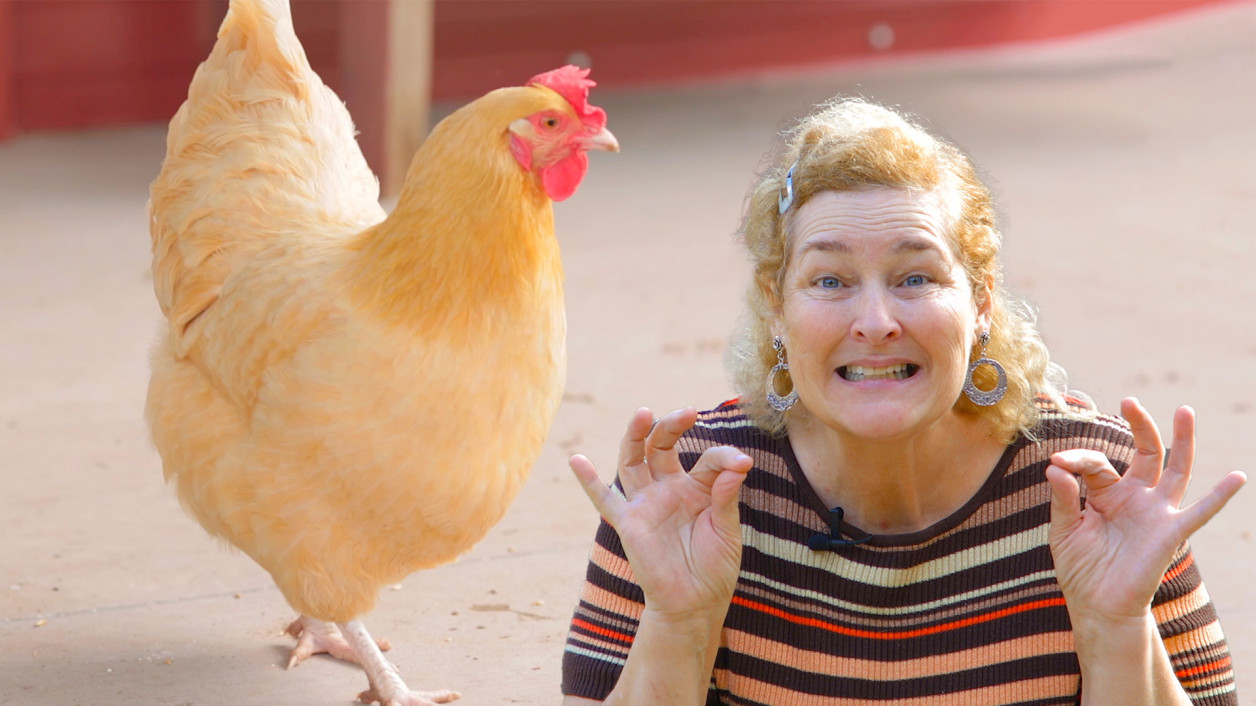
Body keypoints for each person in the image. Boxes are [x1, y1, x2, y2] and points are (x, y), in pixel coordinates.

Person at [558, 98, 1247, 705]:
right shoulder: (685, 492)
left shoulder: (1099, 491)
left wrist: (1118, 627)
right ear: (775, 308)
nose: (876, 321)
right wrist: (679, 621)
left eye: (915, 276)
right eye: (829, 280)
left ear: (981, 302)